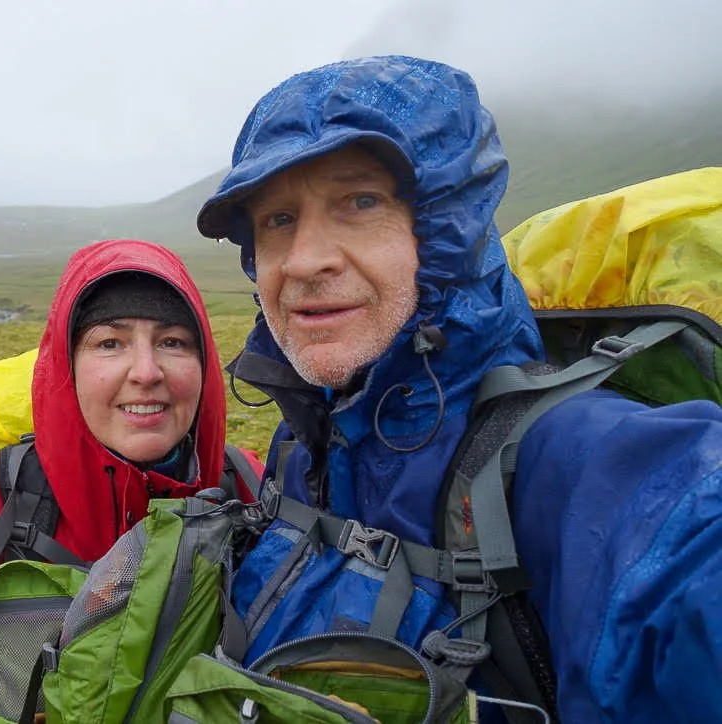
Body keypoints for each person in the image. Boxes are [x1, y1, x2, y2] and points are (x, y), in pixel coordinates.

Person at [196, 55, 722, 722]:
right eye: (276, 221)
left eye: (360, 202)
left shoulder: (587, 461)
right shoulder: (305, 443)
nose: (303, 261)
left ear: (449, 227)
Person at [0, 238, 262, 723]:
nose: (147, 372)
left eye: (173, 342)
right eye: (109, 343)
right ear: (66, 366)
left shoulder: (247, 487)